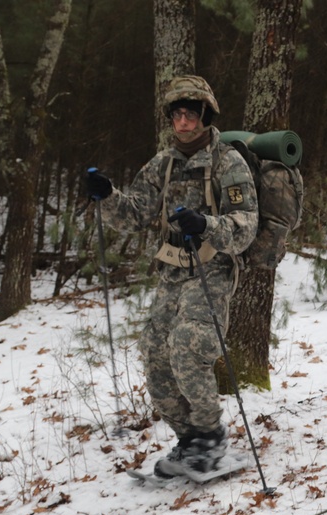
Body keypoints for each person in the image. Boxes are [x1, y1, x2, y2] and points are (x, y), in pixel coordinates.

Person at [85, 75, 258, 478]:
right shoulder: (163, 164)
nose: (183, 122)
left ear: (205, 115)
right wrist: (106, 195)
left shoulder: (227, 162)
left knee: (188, 344)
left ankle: (210, 437)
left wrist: (206, 224)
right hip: (172, 271)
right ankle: (190, 439)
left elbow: (246, 225)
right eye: (177, 114)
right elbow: (133, 215)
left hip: (212, 269)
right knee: (155, 353)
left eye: (190, 114)